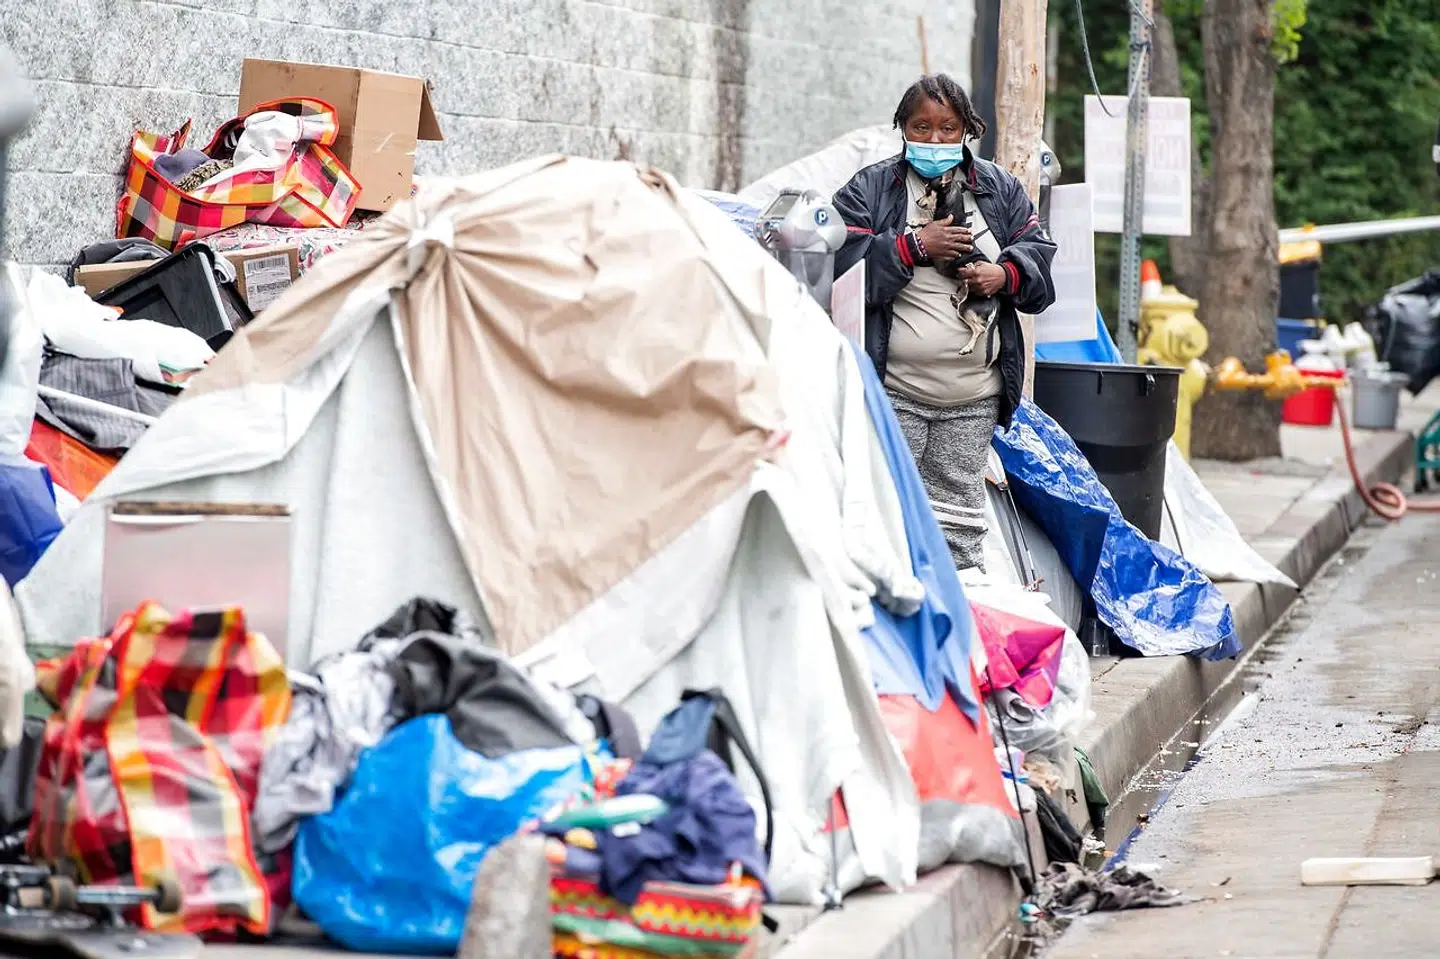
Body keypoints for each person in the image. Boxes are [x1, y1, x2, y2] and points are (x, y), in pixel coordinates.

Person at [833, 73, 1057, 572]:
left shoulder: (1000, 191)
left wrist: (1003, 275)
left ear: (967, 131)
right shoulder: (870, 189)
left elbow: (1040, 259)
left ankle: (959, 628)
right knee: (887, 520)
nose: (935, 140)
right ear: (903, 129)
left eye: (948, 128)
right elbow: (839, 272)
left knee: (958, 523)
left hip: (972, 399)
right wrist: (914, 247)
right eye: (922, 127)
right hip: (893, 393)